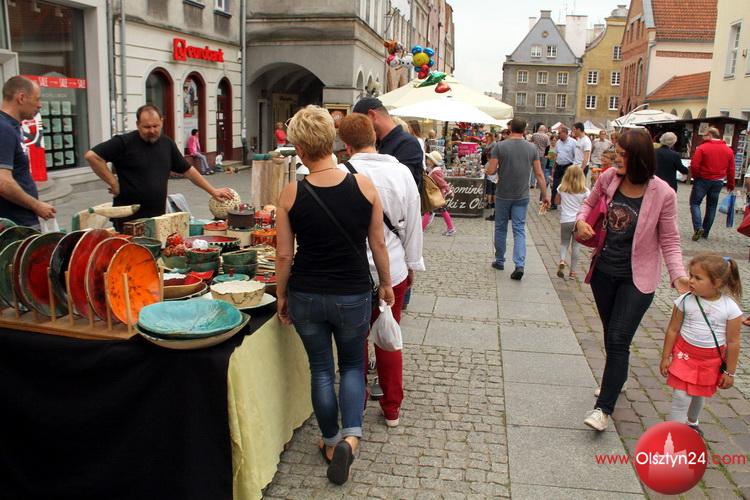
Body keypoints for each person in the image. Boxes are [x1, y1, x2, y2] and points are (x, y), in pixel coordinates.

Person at [275, 105, 395, 485]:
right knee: (354, 366)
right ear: (334, 140)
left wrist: (281, 295)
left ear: (299, 149)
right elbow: (378, 243)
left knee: (322, 369)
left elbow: (283, 255)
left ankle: (329, 441)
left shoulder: (291, 194)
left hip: (307, 293)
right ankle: (351, 438)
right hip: (352, 292)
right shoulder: (364, 186)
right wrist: (387, 284)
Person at [576, 129, 689, 432]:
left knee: (618, 338)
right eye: (616, 152)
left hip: (637, 278)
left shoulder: (663, 193)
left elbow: (670, 239)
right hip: (604, 272)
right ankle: (618, 377)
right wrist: (581, 221)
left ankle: (603, 409)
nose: (616, 158)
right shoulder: (609, 178)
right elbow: (588, 204)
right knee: (610, 333)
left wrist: (678, 275)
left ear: (639, 158)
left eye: (623, 155)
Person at [336, 113, 424, 428]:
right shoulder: (401, 173)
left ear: (346, 145)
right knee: (388, 334)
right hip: (393, 268)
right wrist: (412, 265)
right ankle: (391, 408)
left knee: (354, 339)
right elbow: (413, 224)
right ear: (375, 137)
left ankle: (355, 405)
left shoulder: (339, 173)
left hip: (351, 270)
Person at [85, 104, 233, 231]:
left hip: (158, 217)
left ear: (162, 122)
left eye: (155, 126)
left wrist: (212, 191)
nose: (152, 130)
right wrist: (113, 182)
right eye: (146, 127)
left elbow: (187, 170)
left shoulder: (166, 143)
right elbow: (92, 156)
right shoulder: (124, 142)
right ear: (138, 124)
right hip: (128, 219)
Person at [660, 254, 742, 435]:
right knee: (681, 396)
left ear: (717, 283)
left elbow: (733, 342)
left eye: (698, 278)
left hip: (710, 360)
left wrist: (730, 372)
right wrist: (666, 356)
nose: (691, 281)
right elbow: (673, 329)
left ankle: (692, 421)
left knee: (698, 394)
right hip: (684, 355)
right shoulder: (684, 300)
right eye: (691, 275)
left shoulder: (730, 308)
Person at [485, 117, 550, 279]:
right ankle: (519, 264)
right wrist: (545, 195)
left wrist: (493, 168)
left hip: (503, 194)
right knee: (519, 229)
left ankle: (500, 260)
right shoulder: (531, 148)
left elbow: (491, 170)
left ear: (510, 128)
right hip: (522, 195)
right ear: (525, 130)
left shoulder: (500, 146)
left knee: (501, 227)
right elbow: (539, 173)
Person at [0, 76, 56, 228]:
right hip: (15, 226)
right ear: (21, 98)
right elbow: (3, 182)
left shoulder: (12, 126)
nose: (39, 105)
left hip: (20, 221)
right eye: (37, 99)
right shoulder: (3, 128)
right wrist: (36, 205)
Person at [352, 97, 423, 189]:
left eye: (361, 123)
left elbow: (401, 184)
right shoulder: (377, 142)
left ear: (372, 115)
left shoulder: (408, 144)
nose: (360, 129)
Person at [689, 127, 736, 241]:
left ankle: (698, 227)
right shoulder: (728, 150)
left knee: (695, 203)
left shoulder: (702, 148)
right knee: (712, 206)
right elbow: (731, 169)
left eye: (704, 135)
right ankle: (705, 232)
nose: (703, 137)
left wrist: (696, 176)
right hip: (718, 181)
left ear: (710, 135)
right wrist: (731, 184)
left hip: (702, 179)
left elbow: (694, 165)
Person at [555, 166, 589, 281]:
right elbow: (587, 205)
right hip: (578, 221)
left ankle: (562, 260)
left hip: (565, 220)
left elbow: (557, 202)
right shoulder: (585, 191)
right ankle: (573, 272)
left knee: (564, 243)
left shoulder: (561, 188)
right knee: (576, 245)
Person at [422, 151, 455, 236]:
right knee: (441, 210)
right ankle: (450, 228)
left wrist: (449, 191)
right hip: (437, 195)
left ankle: (421, 230)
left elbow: (442, 183)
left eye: (428, 159)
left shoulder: (435, 172)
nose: (427, 160)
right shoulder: (433, 170)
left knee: (428, 211)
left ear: (432, 161)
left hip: (436, 195)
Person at [550, 125, 576, 210]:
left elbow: (576, 156)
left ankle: (567, 205)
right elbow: (555, 155)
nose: (558, 135)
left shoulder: (573, 142)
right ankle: (553, 204)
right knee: (555, 185)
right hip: (558, 166)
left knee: (567, 186)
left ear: (565, 133)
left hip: (568, 166)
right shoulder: (558, 142)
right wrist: (553, 167)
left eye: (560, 133)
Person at [482, 133, 498, 220]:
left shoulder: (488, 163)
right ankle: (493, 203)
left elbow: (488, 171)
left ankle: (489, 203)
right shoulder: (496, 163)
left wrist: (486, 171)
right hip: (495, 179)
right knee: (493, 191)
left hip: (490, 178)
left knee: (489, 191)